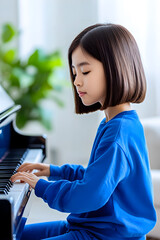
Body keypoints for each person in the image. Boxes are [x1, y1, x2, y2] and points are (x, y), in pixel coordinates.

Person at [11, 23, 156, 240]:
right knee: (14, 234)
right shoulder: (113, 123)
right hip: (93, 228)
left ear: (115, 68)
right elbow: (96, 177)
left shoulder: (119, 133)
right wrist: (54, 170)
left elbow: (90, 195)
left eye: (85, 71)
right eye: (74, 72)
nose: (77, 81)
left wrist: (42, 187)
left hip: (108, 236)